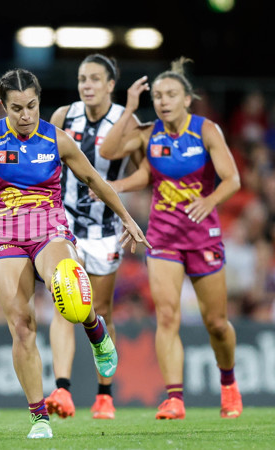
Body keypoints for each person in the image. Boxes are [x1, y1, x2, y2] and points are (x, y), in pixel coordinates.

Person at [0, 68, 150, 439]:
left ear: (39, 101)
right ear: (3, 106)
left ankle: (95, 329)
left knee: (69, 289)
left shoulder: (57, 139)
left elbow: (94, 179)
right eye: (17, 108)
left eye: (32, 106)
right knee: (22, 326)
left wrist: (127, 218)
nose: (26, 115)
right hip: (7, 234)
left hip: (49, 227)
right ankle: (40, 417)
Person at [99, 57, 243, 420]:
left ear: (187, 99)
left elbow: (233, 180)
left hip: (203, 237)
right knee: (166, 316)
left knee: (217, 323)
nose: (162, 101)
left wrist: (209, 200)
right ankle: (174, 398)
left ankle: (228, 384)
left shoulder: (206, 130)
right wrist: (129, 108)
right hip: (162, 237)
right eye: (158, 95)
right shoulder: (150, 133)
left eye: (170, 95)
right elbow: (109, 151)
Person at [45, 54, 143, 420]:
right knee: (64, 303)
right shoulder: (62, 116)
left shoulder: (125, 121)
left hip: (105, 229)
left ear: (110, 85)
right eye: (82, 78)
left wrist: (115, 187)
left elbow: (143, 171)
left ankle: (105, 394)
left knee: (99, 311)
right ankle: (63, 388)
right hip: (64, 224)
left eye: (94, 79)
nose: (86, 85)